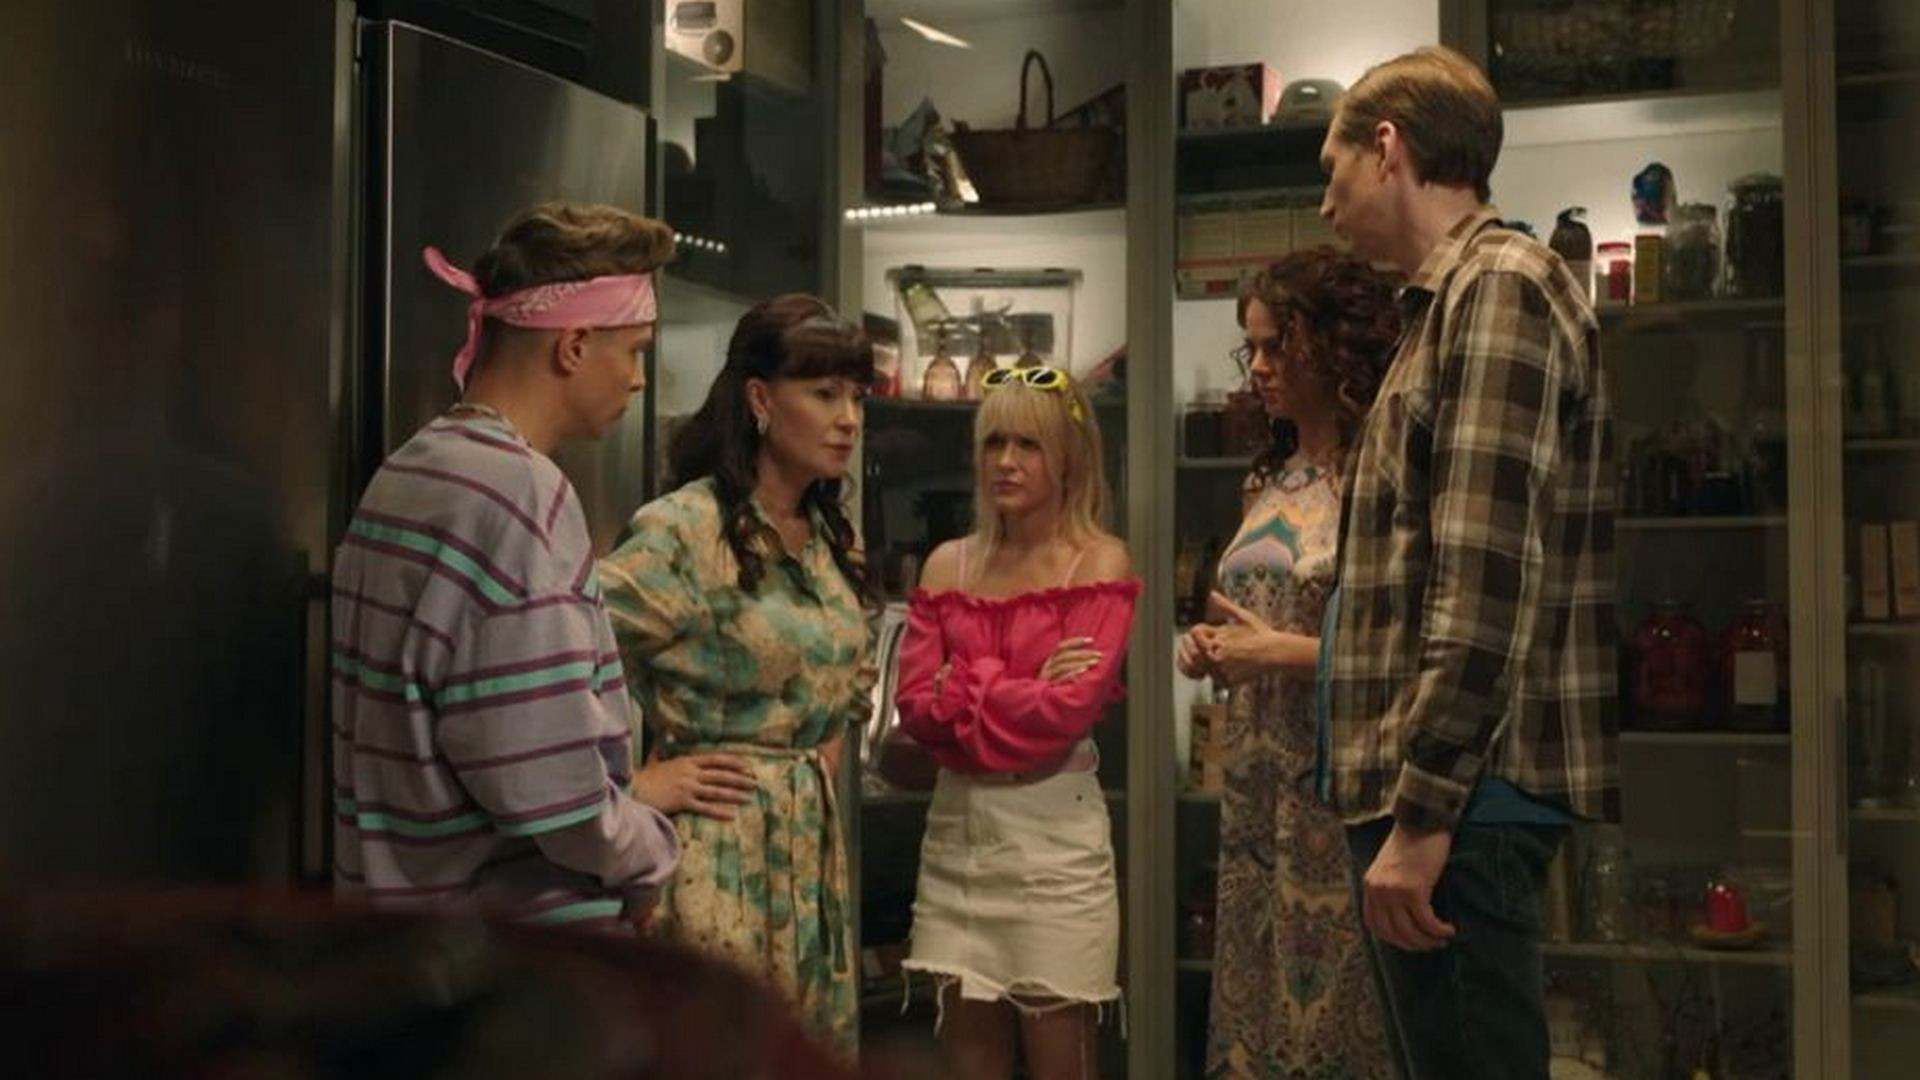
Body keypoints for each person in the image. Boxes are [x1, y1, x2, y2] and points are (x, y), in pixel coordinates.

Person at [1315, 46, 1618, 1079]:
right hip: (1442, 797)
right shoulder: (1445, 304)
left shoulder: (1497, 287)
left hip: (1461, 801)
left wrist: (1425, 812)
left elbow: (1484, 574)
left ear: (1387, 148)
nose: (1325, 204)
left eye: (1333, 170)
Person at [332, 202, 682, 928]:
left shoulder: (407, 469)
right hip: (516, 952)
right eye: (635, 351)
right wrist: (648, 855)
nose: (639, 380)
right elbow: (553, 793)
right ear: (574, 346)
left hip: (402, 933)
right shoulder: (522, 495)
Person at [598, 294, 879, 1053]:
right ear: (760, 399)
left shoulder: (833, 541)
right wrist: (627, 789)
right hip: (713, 856)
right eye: (824, 394)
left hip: (812, 863)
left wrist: (807, 777)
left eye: (856, 397)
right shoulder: (685, 530)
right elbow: (558, 656)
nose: (848, 418)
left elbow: (845, 695)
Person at [1178, 249, 1401, 1080]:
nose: (1261, 367)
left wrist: (1273, 652)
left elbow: (1403, 651)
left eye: (1279, 346)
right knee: (1259, 1010)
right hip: (1255, 781)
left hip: (1338, 783)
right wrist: (1210, 646)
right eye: (1254, 349)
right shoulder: (1268, 478)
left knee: (1340, 1016)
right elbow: (1249, 613)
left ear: (1332, 347)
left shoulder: (1378, 477)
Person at [893, 365, 1138, 1080]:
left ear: (1069, 456)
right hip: (957, 835)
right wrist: (1022, 684)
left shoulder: (1098, 559)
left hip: (1054, 839)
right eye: (993, 442)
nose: (1005, 461)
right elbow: (915, 708)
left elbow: (1067, 713)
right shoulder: (947, 565)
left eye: (1028, 444)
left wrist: (965, 686)